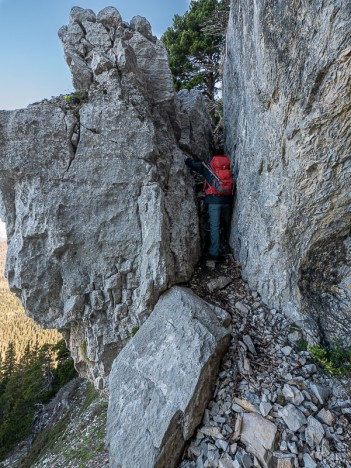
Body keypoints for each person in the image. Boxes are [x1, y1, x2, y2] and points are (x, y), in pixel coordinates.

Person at [185, 151, 234, 261]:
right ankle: (225, 247)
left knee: (214, 227)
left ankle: (214, 253)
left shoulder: (208, 168)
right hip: (228, 201)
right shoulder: (227, 167)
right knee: (227, 225)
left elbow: (193, 165)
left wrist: (187, 160)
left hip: (213, 202)